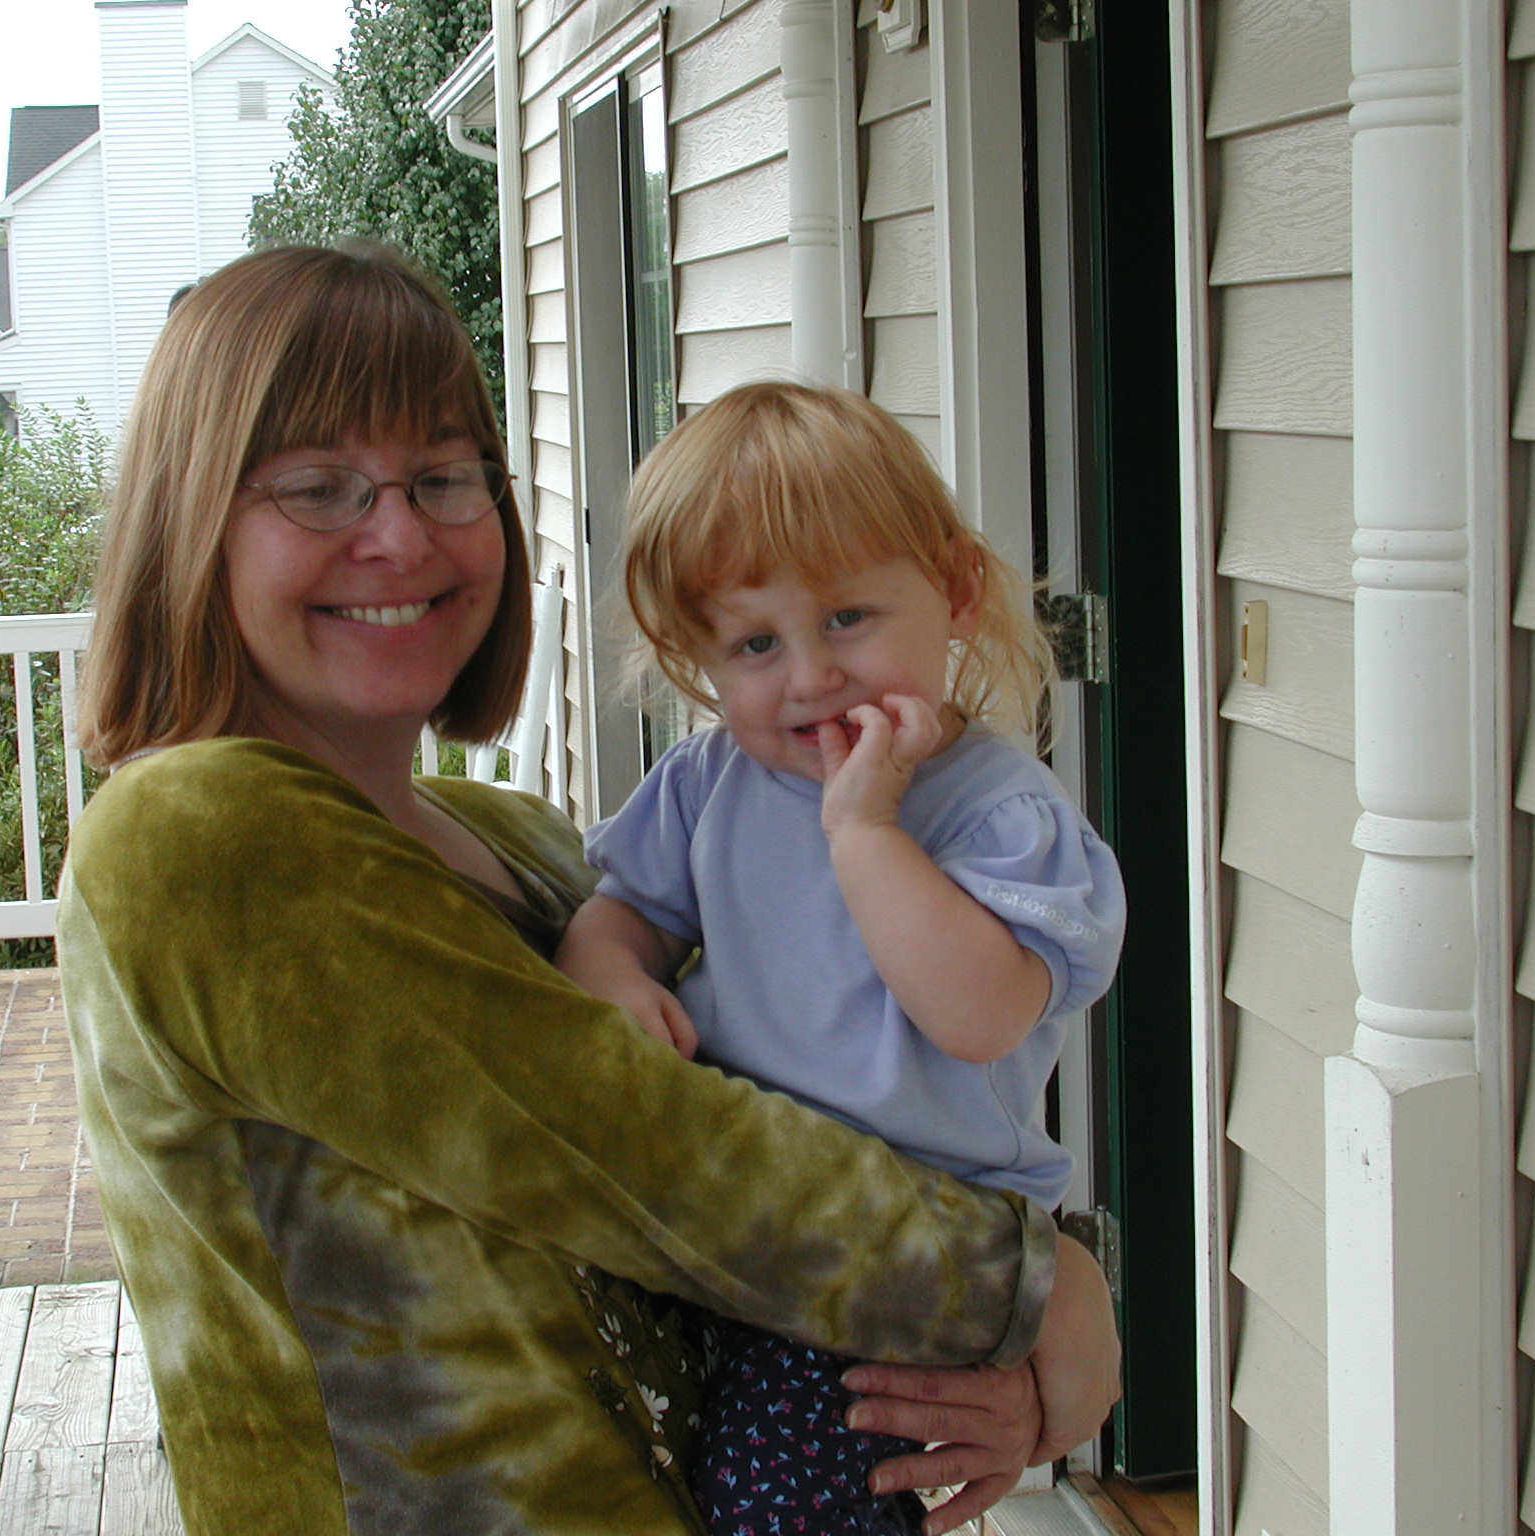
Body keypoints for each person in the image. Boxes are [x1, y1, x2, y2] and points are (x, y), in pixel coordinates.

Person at [59, 242, 1121, 1536]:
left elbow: (760, 1148)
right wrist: (1036, 1287)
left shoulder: (517, 841)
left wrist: (962, 1369)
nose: (398, 535)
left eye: (443, 477)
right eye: (317, 487)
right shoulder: (197, 833)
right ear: (192, 520)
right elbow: (650, 1154)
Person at [553, 382, 1127, 1536]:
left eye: (847, 618)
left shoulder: (996, 813)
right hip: (725, 1212)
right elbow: (619, 918)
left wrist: (863, 828)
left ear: (952, 592)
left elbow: (979, 1013)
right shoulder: (707, 782)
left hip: (898, 1254)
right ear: (697, 658)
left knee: (791, 1505)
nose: (811, 676)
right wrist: (610, 975)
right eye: (756, 643)